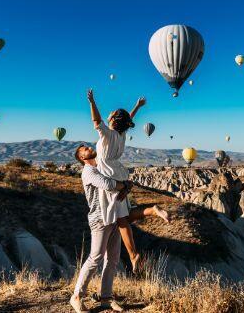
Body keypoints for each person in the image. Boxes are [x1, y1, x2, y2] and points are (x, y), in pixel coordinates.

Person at [86, 89, 170, 273]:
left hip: (108, 175)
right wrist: (137, 107)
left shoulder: (108, 134)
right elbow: (127, 118)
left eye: (112, 114)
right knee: (123, 216)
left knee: (121, 220)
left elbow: (96, 121)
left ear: (114, 121)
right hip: (119, 173)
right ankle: (152, 210)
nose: (109, 114)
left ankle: (133, 255)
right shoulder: (121, 135)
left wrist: (92, 102)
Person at [70, 144, 129, 313]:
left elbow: (121, 178)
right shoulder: (88, 172)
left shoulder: (103, 167)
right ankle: (76, 297)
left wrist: (125, 184)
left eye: (87, 146)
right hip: (99, 220)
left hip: (114, 216)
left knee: (112, 259)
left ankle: (106, 298)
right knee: (95, 257)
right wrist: (123, 185)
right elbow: (108, 184)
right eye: (85, 149)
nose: (89, 147)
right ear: (82, 157)